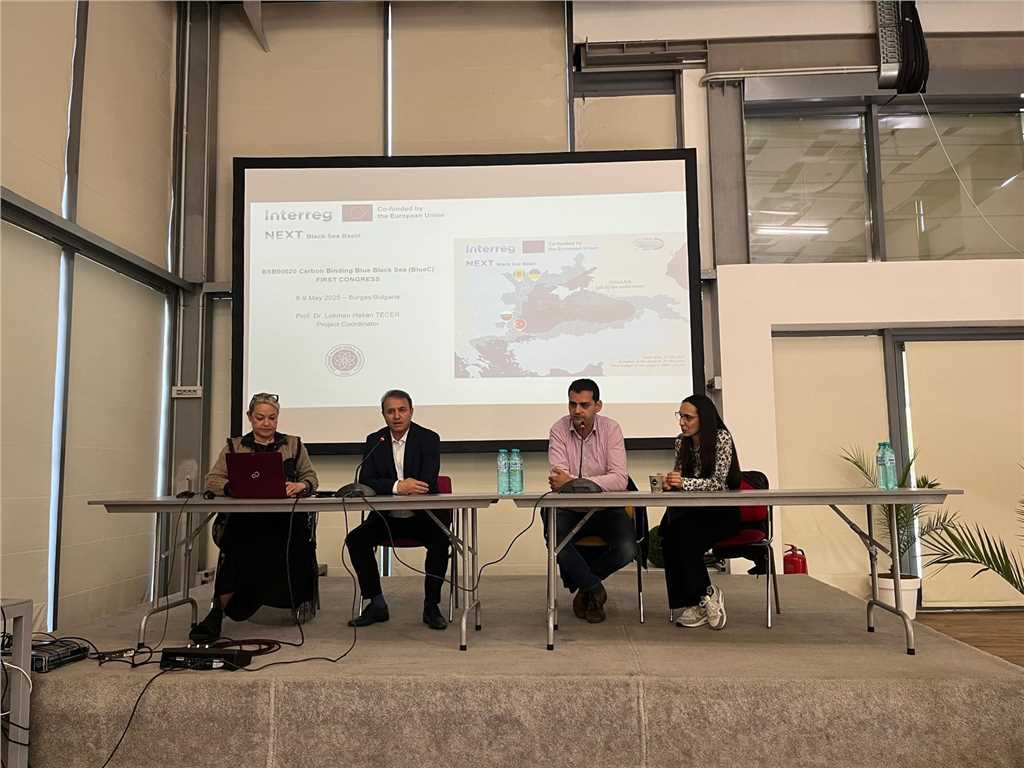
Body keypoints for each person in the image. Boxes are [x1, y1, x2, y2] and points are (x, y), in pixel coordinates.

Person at [190, 392, 319, 644]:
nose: (266, 423)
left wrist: (300, 485)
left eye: (272, 418)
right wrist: (232, 487)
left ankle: (286, 599)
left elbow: (311, 478)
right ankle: (217, 612)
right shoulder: (234, 446)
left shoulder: (294, 444)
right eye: (260, 417)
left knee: (293, 541)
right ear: (250, 417)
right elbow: (212, 480)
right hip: (246, 520)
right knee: (236, 544)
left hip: (285, 521)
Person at [344, 389, 450, 630]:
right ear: (383, 415)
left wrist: (394, 486)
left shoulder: (428, 438)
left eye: (402, 410)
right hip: (386, 518)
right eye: (390, 411)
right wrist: (397, 486)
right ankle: (376, 603)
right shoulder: (375, 440)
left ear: (411, 411)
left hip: (423, 517)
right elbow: (366, 480)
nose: (397, 416)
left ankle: (431, 607)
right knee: (356, 539)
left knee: (441, 541)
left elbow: (427, 482)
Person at [546, 378, 632, 624]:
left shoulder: (611, 429)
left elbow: (620, 479)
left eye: (584, 405)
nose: (577, 411)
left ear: (598, 406)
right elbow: (558, 479)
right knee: (555, 539)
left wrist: (576, 482)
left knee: (628, 549)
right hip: (569, 508)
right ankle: (594, 589)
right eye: (572, 404)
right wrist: (591, 482)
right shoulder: (559, 429)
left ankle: (585, 587)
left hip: (606, 508)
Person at [660, 394, 742, 631]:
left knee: (684, 536)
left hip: (721, 513)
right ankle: (693, 603)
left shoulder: (721, 438)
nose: (682, 422)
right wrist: (670, 483)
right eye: (680, 416)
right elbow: (680, 477)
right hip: (693, 511)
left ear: (703, 419)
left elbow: (718, 483)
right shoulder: (681, 442)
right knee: (668, 534)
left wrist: (683, 483)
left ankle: (706, 595)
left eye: (688, 417)